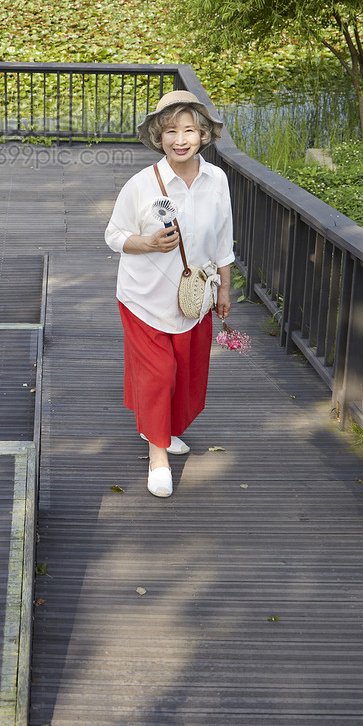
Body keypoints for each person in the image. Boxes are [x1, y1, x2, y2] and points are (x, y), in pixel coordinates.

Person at [105, 90, 234, 498]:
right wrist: (148, 243)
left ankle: (163, 429)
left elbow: (223, 241)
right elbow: (114, 235)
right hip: (144, 297)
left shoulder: (218, 181)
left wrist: (225, 289)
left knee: (186, 374)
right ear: (159, 137)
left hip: (194, 297)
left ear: (203, 136)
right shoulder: (142, 184)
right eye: (172, 131)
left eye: (190, 130)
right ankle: (157, 453)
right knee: (159, 374)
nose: (181, 139)